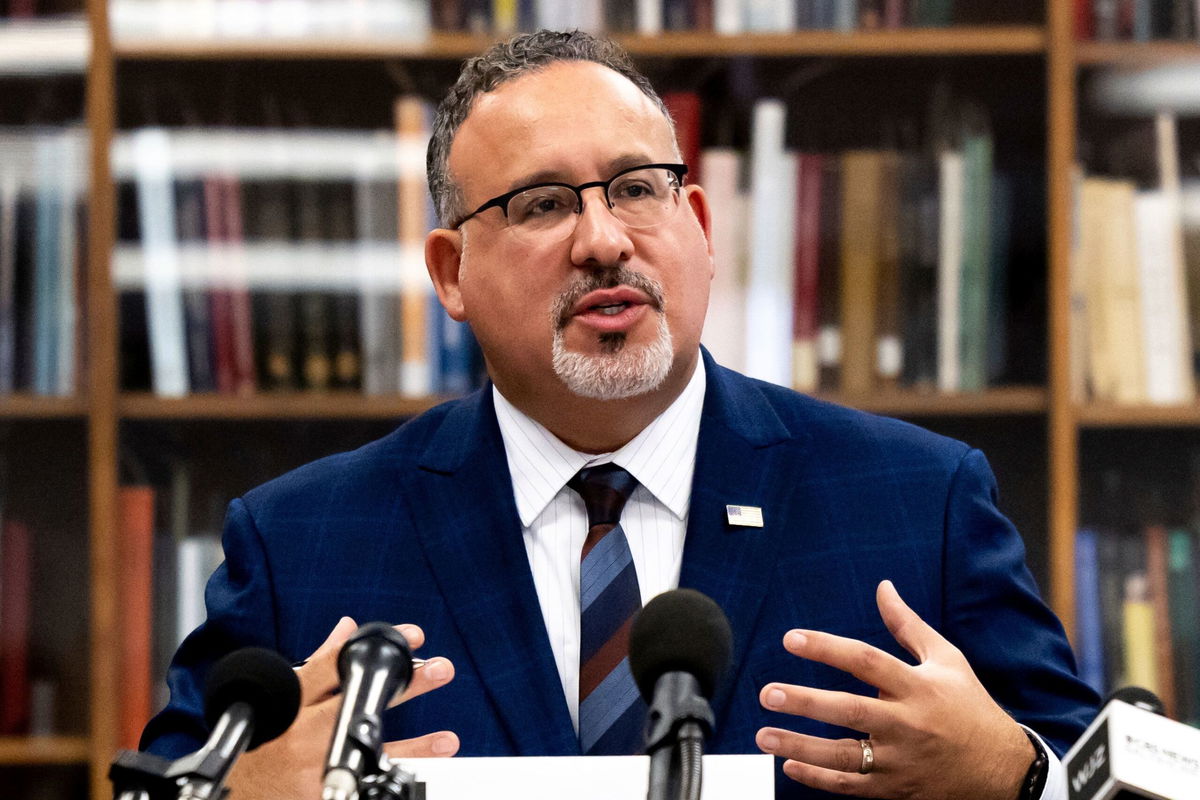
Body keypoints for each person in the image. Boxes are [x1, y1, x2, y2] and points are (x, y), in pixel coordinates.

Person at [141, 29, 1100, 800]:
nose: (604, 241)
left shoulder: (915, 502)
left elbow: (1097, 773)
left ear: (703, 230)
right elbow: (174, 778)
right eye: (544, 204)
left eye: (638, 189)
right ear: (451, 273)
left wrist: (1019, 778)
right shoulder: (301, 543)